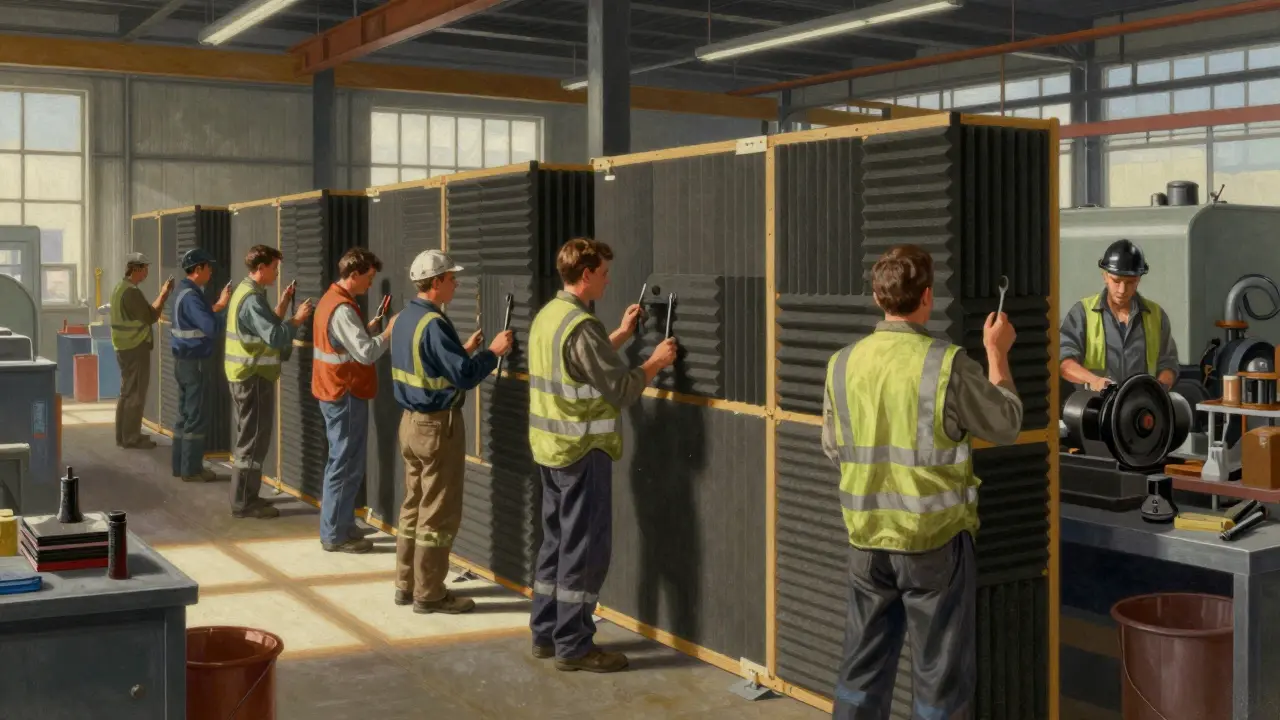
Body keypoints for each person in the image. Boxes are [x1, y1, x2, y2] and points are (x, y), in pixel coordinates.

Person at [822, 244, 1023, 720]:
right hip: (934, 546)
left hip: (866, 541)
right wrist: (997, 354)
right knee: (939, 681)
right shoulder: (946, 365)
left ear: (877, 297)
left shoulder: (841, 363)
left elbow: (834, 449)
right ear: (928, 297)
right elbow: (1007, 423)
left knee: (860, 672)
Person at [527, 238, 678, 673]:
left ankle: (545, 633)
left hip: (551, 451)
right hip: (582, 452)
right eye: (606, 273)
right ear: (587, 273)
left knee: (555, 543)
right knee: (584, 550)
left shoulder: (550, 317)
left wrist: (620, 336)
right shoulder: (581, 327)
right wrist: (655, 360)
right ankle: (573, 645)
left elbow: (579, 364)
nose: (609, 280)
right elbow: (621, 389)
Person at [390, 250, 513, 612]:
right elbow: (464, 376)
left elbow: (427, 363)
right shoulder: (433, 323)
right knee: (438, 512)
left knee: (413, 505)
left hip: (410, 424)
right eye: (452, 278)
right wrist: (492, 352)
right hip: (436, 426)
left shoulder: (403, 319)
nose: (456, 283)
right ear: (437, 282)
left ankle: (406, 584)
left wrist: (461, 350)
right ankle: (429, 594)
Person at [313, 248, 397, 554]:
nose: (370, 284)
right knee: (345, 464)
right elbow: (365, 353)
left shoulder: (330, 301)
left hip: (334, 391)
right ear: (355, 274)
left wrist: (369, 330)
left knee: (343, 462)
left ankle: (341, 523)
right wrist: (387, 333)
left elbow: (345, 343)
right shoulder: (344, 309)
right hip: (344, 394)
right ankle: (335, 533)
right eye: (369, 277)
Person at [225, 245, 313, 520]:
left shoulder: (247, 293)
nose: (277, 274)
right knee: (252, 441)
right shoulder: (251, 299)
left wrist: (284, 304)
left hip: (245, 376)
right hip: (254, 378)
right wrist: (297, 320)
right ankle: (243, 503)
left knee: (250, 439)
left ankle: (248, 496)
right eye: (274, 269)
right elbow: (274, 337)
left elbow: (262, 327)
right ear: (261, 268)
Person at [1060, 239, 1179, 391]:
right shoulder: (1082, 313)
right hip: (1094, 405)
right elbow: (1063, 362)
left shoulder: (1156, 316)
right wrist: (1094, 381)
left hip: (1139, 404)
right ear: (1105, 276)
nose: (1122, 290)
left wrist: (1158, 388)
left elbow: (1168, 363)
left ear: (1139, 280)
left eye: (1130, 282)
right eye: (1116, 281)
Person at [170, 248, 232, 482]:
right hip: (195, 362)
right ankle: (192, 470)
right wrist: (228, 311)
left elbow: (198, 319)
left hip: (182, 361)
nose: (211, 271)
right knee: (195, 416)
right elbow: (211, 328)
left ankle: (179, 466)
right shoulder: (193, 296)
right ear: (198, 269)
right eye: (208, 267)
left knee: (184, 415)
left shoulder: (181, 292)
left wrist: (217, 305)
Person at [110, 252, 173, 450]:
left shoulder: (120, 288)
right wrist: (164, 294)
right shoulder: (131, 292)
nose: (147, 271)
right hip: (135, 347)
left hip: (124, 347)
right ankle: (131, 438)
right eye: (145, 268)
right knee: (136, 393)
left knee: (126, 392)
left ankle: (124, 435)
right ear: (135, 269)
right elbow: (150, 316)